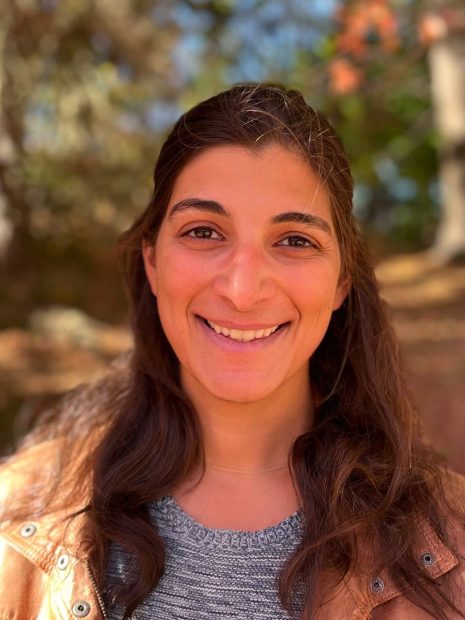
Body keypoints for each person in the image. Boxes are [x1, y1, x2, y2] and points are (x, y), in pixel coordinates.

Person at [0, 83, 464, 620]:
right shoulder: (17, 519)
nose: (243, 290)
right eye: (203, 232)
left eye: (294, 240)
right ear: (152, 262)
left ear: (341, 282)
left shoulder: (448, 542)